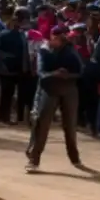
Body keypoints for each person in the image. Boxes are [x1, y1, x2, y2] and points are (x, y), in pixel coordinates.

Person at [27, 25, 84, 172]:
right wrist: (55, 74)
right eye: (59, 37)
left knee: (70, 126)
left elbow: (80, 72)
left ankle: (74, 158)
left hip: (69, 89)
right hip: (49, 89)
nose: (63, 40)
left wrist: (67, 75)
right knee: (41, 124)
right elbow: (41, 73)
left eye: (64, 37)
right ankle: (34, 159)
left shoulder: (70, 51)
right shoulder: (44, 51)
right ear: (53, 37)